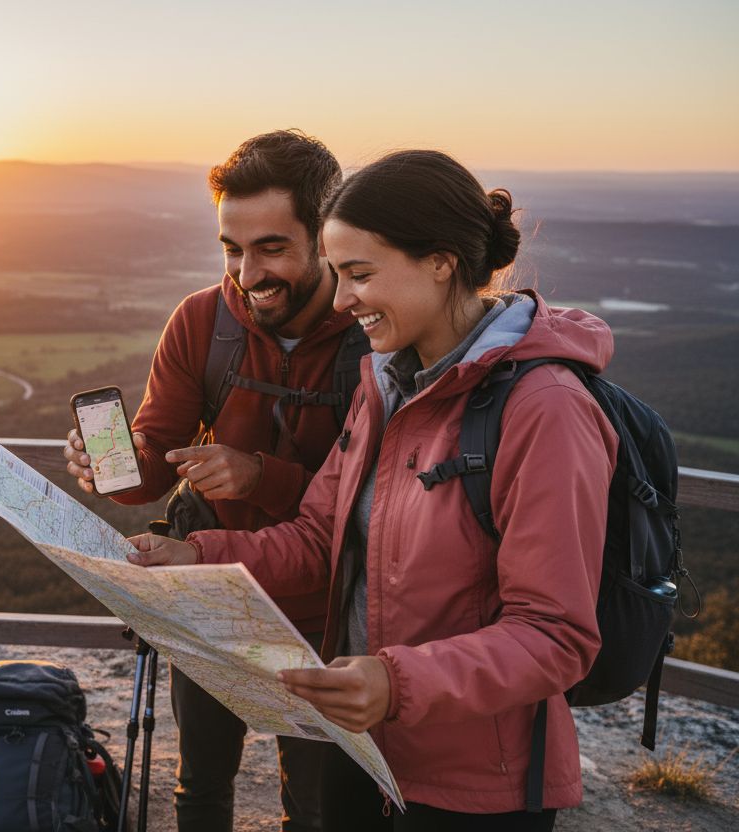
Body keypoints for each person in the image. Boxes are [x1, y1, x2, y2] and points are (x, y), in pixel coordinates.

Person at [127, 149, 618, 830]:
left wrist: (394, 683)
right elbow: (322, 538)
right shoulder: (387, 386)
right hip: (365, 752)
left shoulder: (546, 409)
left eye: (358, 274)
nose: (340, 298)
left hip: (473, 786)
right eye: (336, 274)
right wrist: (197, 554)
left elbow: (556, 635)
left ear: (441, 261)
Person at [64, 129, 363, 832]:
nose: (247, 272)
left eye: (271, 248)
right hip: (208, 591)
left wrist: (259, 475)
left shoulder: (369, 334)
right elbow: (154, 456)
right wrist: (110, 469)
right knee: (199, 783)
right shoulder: (203, 321)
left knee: (316, 802)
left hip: (326, 604)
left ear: (325, 238)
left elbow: (374, 501)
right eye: (231, 247)